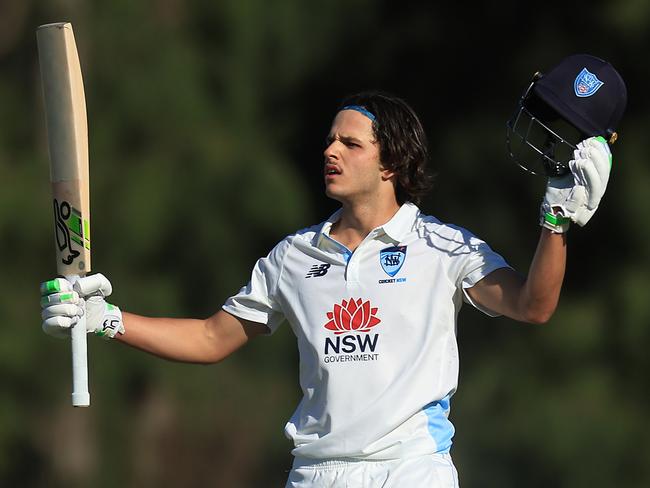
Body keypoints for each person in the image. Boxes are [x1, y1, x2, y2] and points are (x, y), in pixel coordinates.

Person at [40, 89, 613, 487]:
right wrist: (108, 320)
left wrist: (555, 223)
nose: (330, 151)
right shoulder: (293, 257)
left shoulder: (443, 247)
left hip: (410, 470)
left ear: (391, 162)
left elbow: (533, 306)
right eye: (329, 140)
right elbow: (214, 338)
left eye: (351, 143)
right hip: (316, 473)